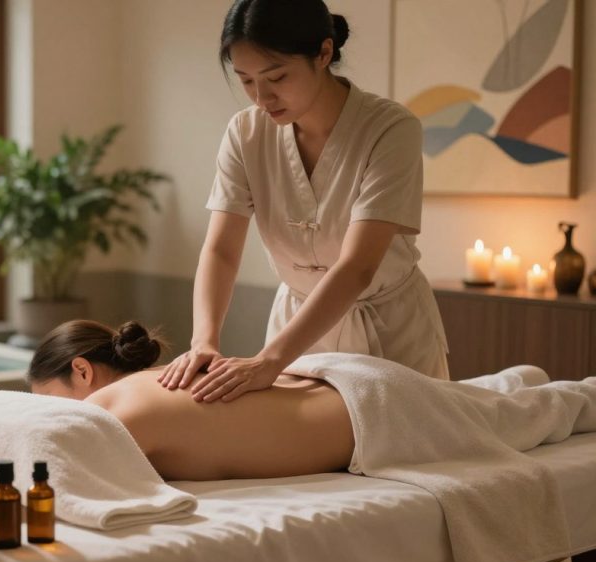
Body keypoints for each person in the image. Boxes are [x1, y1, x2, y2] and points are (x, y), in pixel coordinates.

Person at [159, 0, 449, 404]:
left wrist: (269, 360)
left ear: (324, 53)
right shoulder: (246, 134)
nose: (262, 97)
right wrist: (203, 341)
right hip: (296, 334)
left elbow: (358, 266)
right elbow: (222, 249)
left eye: (277, 77)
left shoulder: (390, 129)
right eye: (246, 81)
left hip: (390, 333)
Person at [29, 320, 354, 481]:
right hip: (346, 382)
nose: (53, 413)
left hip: (364, 412)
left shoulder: (115, 408)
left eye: (50, 401)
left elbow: (49, 473)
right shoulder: (158, 377)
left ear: (82, 371)